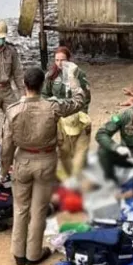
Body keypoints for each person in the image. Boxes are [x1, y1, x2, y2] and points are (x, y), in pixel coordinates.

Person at [1, 66, 85, 265]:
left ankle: (18, 254)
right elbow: (79, 102)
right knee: (38, 209)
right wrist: (73, 81)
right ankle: (33, 254)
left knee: (20, 208)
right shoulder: (52, 107)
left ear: (24, 84)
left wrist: (3, 170)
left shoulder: (12, 111)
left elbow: (6, 145)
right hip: (46, 160)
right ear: (43, 85)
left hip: (22, 160)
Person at [43, 47, 92, 181]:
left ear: (69, 60)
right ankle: (65, 177)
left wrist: (83, 114)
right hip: (59, 117)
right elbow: (45, 94)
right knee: (62, 149)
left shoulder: (78, 74)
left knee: (80, 149)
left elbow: (86, 96)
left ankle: (81, 175)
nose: (59, 63)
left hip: (76, 114)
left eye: (63, 60)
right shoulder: (51, 75)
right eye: (57, 60)